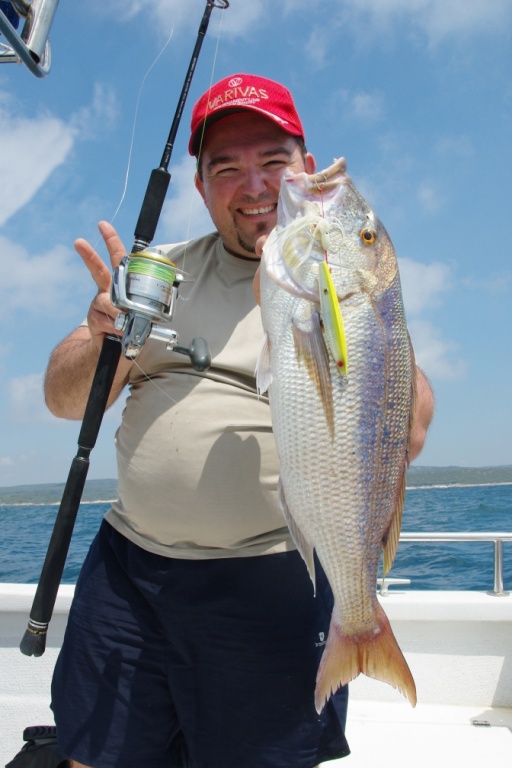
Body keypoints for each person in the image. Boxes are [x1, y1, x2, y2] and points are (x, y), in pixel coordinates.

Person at [44, 73, 434, 768]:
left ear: (305, 170)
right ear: (200, 186)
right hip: (134, 573)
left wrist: (377, 332)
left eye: (273, 162)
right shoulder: (157, 273)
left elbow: (410, 429)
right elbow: (64, 400)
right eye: (227, 168)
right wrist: (106, 333)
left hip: (272, 583)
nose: (253, 185)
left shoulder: (349, 290)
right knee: (92, 752)